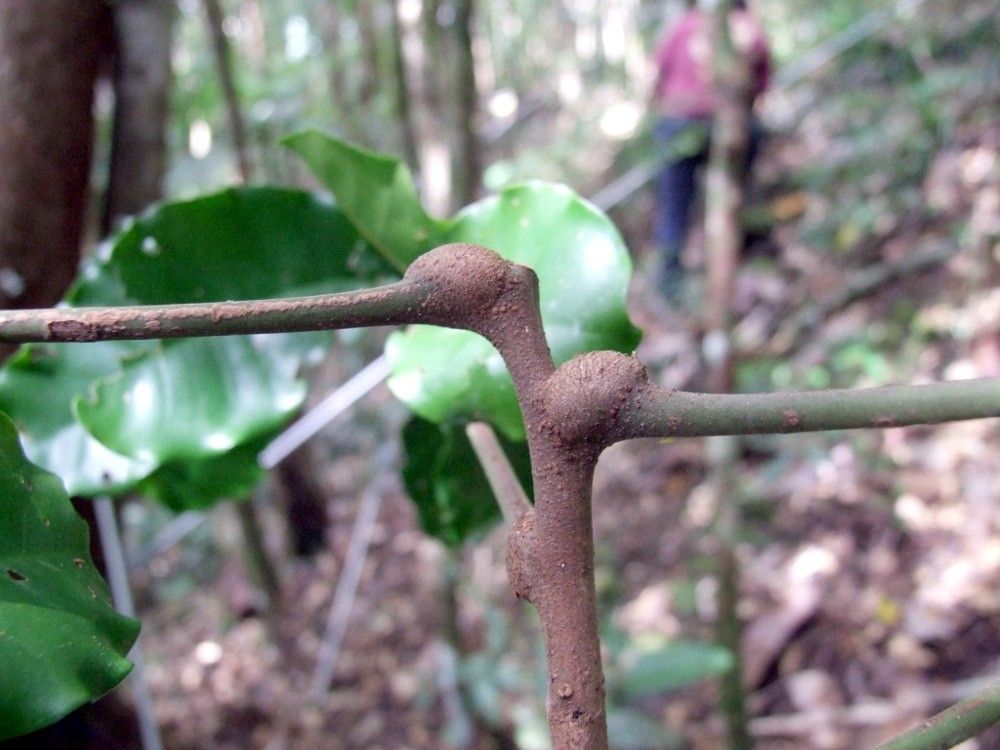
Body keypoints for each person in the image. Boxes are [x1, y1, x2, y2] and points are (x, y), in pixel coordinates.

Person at [651, 0, 771, 300]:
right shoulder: (745, 26)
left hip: (686, 123)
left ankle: (676, 277)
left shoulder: (684, 26)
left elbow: (657, 78)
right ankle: (677, 276)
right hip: (696, 123)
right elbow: (761, 85)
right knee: (727, 193)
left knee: (675, 204)